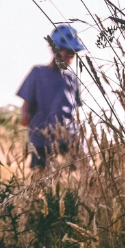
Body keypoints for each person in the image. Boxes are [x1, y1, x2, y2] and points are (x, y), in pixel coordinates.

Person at [17, 24, 84, 170]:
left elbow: (76, 108)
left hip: (68, 134)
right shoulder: (38, 72)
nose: (70, 55)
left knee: (82, 169)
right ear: (55, 50)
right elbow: (26, 103)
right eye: (67, 51)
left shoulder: (72, 78)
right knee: (41, 173)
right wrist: (26, 116)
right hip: (42, 135)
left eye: (73, 52)